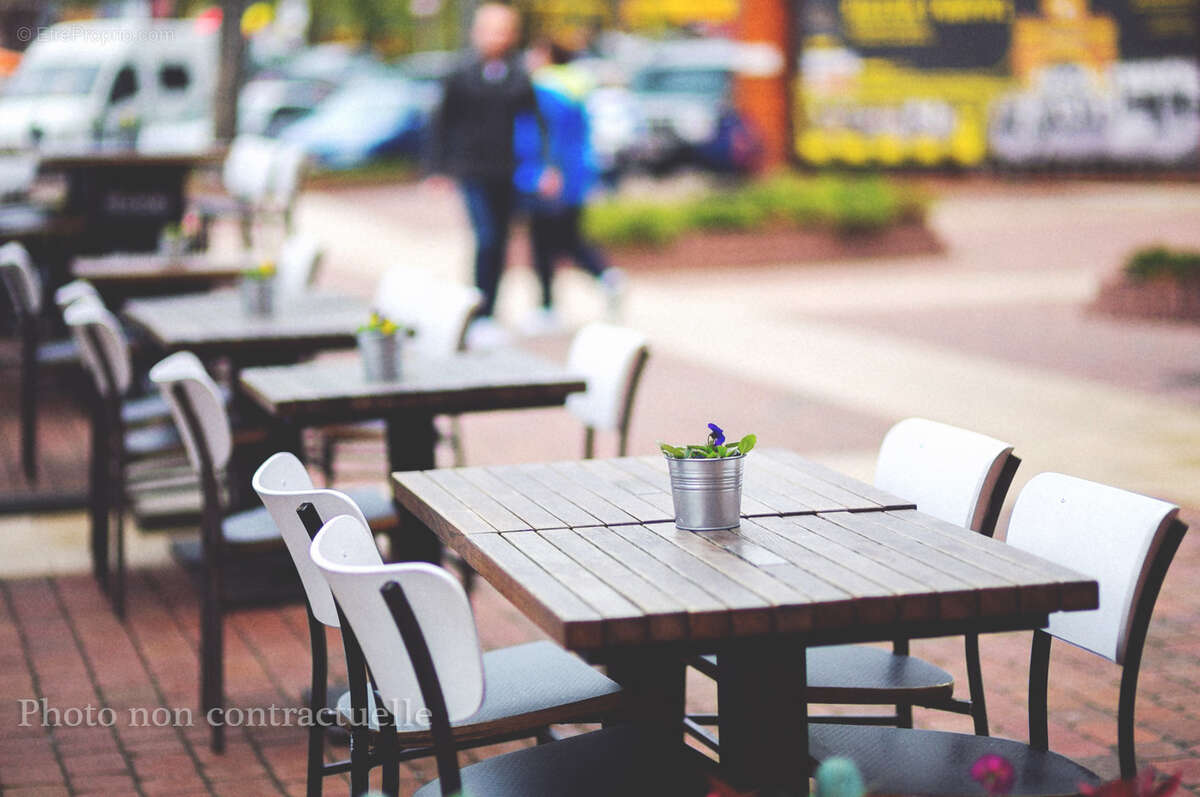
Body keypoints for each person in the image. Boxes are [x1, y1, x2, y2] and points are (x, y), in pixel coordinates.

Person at [424, 3, 557, 348]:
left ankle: (490, 311)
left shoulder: (518, 74)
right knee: (486, 238)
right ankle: (479, 313)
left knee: (500, 241)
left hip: (507, 172)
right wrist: (436, 169)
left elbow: (537, 122)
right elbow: (441, 123)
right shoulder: (460, 73)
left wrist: (545, 165)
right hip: (472, 170)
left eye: (503, 30)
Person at [513, 37, 624, 334]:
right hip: (575, 177)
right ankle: (606, 277)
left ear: (547, 55)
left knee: (543, 244)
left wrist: (544, 172)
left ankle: (547, 307)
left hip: (548, 178)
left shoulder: (543, 90)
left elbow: (540, 135)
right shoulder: (578, 86)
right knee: (569, 239)